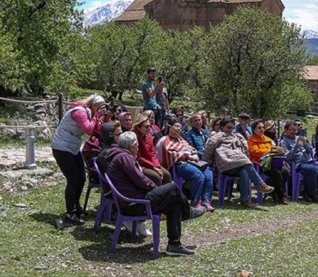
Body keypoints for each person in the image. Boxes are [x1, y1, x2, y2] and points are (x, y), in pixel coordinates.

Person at [105, 131, 205, 256]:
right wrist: (155, 188)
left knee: (175, 204)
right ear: (131, 146)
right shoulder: (124, 157)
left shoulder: (120, 155)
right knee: (173, 188)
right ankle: (188, 212)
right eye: (137, 146)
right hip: (135, 204)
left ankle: (174, 245)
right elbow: (140, 180)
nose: (138, 149)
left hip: (134, 201)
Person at [51, 94, 108, 225]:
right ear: (94, 106)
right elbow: (88, 129)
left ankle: (77, 208)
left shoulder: (90, 114)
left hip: (72, 148)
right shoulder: (80, 112)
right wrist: (97, 117)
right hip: (61, 147)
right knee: (73, 179)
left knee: (81, 178)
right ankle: (70, 212)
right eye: (100, 107)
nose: (101, 110)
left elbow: (96, 130)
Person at [203, 117, 274, 208]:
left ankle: (244, 200)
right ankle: (260, 184)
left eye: (232, 128)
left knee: (244, 172)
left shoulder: (237, 136)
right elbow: (209, 149)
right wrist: (206, 162)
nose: (231, 130)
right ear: (222, 127)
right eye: (228, 127)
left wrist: (242, 141)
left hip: (238, 162)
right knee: (247, 163)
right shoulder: (218, 136)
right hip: (225, 162)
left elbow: (245, 149)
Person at [159, 119, 214, 211]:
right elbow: (170, 154)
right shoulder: (166, 139)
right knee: (198, 175)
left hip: (192, 162)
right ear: (170, 127)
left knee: (208, 173)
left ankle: (206, 200)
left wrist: (195, 154)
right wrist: (189, 157)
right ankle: (195, 202)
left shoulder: (181, 139)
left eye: (180, 127)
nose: (178, 129)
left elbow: (191, 148)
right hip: (178, 164)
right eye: (176, 126)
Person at [280, 121, 318, 203]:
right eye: (291, 129)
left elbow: (310, 152)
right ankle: (312, 193)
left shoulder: (300, 138)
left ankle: (306, 190)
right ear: (286, 130)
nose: (293, 132)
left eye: (295, 130)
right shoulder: (283, 142)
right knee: (312, 170)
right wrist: (296, 146)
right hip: (298, 164)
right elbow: (287, 157)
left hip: (309, 161)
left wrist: (305, 143)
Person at [248, 119, 290, 204]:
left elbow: (276, 149)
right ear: (254, 129)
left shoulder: (268, 139)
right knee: (276, 173)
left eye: (263, 127)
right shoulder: (251, 140)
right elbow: (255, 152)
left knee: (286, 171)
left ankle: (274, 193)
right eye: (259, 127)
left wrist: (276, 151)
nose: (262, 129)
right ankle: (282, 195)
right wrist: (269, 151)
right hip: (261, 164)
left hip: (274, 161)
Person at [133, 114, 172, 186]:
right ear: (138, 127)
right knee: (156, 177)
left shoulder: (149, 136)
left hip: (151, 163)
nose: (149, 128)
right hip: (140, 165)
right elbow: (139, 158)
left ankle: (168, 194)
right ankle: (158, 195)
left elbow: (153, 153)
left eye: (150, 126)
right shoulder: (134, 137)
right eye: (146, 126)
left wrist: (156, 166)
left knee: (166, 174)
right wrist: (153, 167)